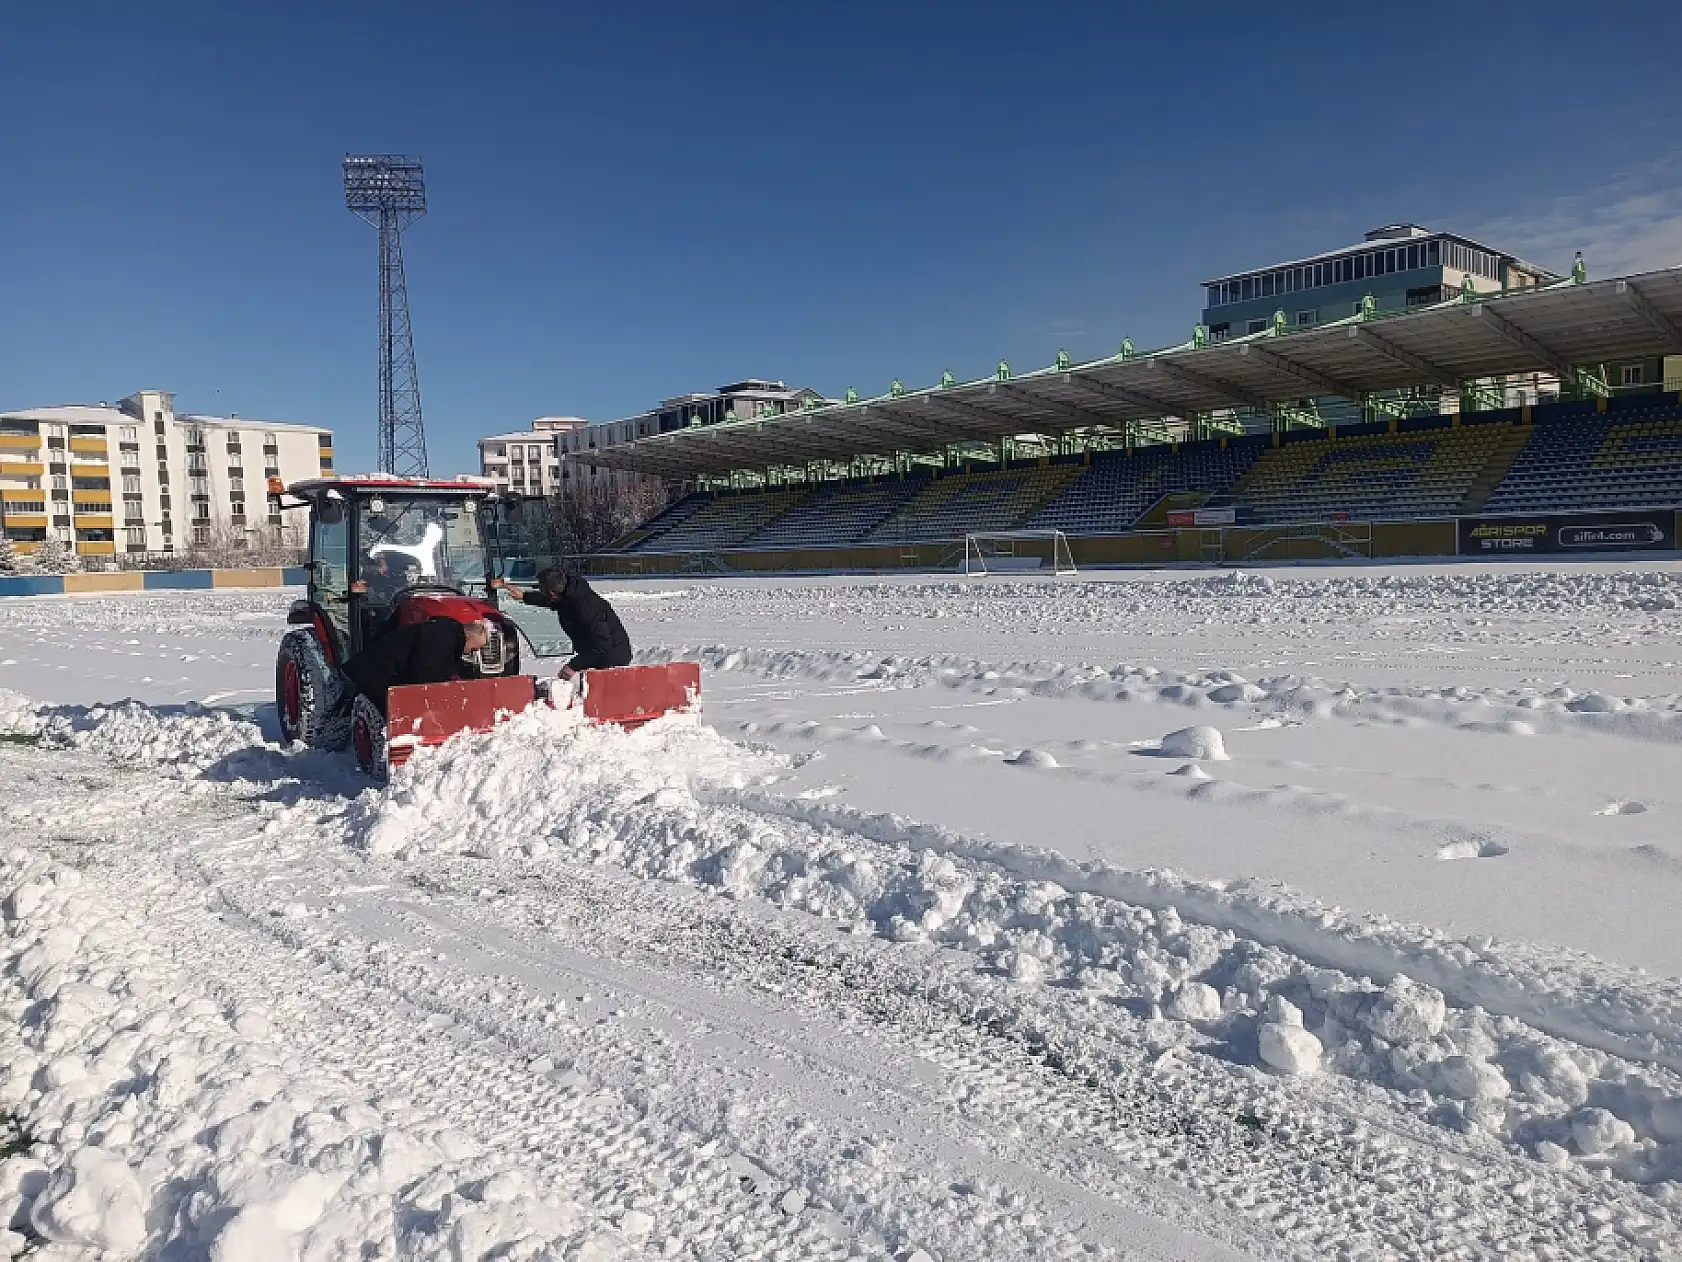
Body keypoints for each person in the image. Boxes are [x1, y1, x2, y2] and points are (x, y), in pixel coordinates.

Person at [493, 567, 631, 679]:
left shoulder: (587, 608)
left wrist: (574, 665)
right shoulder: (568, 595)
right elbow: (549, 601)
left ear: (552, 593)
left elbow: (602, 645)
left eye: (542, 591)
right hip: (596, 654)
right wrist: (524, 596)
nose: (542, 594)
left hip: (612, 658)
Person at [340, 617, 491, 715]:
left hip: (387, 675)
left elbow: (445, 669)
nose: (473, 652)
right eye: (474, 648)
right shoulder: (441, 636)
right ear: (469, 636)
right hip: (375, 673)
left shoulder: (451, 638)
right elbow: (422, 673)